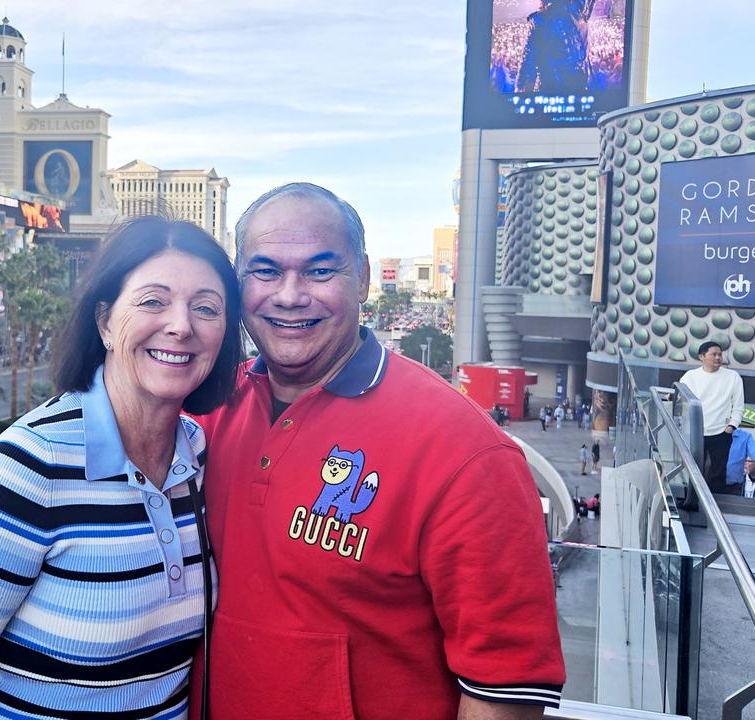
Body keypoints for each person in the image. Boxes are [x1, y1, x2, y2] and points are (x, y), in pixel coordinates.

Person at [197, 183, 564, 719]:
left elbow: (504, 688)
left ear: (364, 278)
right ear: (238, 283)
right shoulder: (203, 414)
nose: (291, 295)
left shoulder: (463, 449)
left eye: (321, 271)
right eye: (266, 271)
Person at [0, 217, 242, 719]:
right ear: (104, 322)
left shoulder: (199, 459)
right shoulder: (26, 472)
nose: (181, 325)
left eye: (206, 307)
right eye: (153, 301)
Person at [679, 341, 745, 495]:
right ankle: (691, 500)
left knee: (718, 472)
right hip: (695, 432)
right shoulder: (690, 376)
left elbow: (738, 405)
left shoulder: (732, 377)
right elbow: (681, 398)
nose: (718, 358)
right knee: (693, 469)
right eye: (713, 354)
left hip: (721, 432)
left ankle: (716, 504)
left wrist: (732, 426)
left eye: (720, 354)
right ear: (701, 357)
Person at [516, 0, 593, 94]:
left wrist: (522, 95)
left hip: (552, 91)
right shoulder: (579, 15)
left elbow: (528, 64)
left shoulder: (540, 21)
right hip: (580, 90)